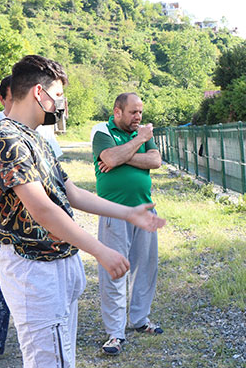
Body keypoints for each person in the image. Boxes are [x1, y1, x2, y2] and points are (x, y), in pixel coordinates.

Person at [0, 55, 165, 368]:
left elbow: (71, 192)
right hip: (34, 270)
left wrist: (128, 213)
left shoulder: (35, 139)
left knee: (62, 357)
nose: (60, 104)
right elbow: (43, 210)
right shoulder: (7, 141)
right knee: (48, 361)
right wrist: (101, 251)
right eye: (58, 96)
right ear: (40, 93)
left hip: (55, 266)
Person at [0, 75, 64, 368]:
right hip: (5, 225)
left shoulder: (42, 132)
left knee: (39, 288)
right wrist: (6, 85)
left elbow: (59, 181)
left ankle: (38, 339)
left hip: (40, 223)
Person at [90, 92, 163, 355]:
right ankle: (115, 333)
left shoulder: (142, 132)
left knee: (145, 267)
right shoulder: (102, 130)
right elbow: (108, 160)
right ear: (117, 111)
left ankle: (140, 320)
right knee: (115, 270)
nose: (139, 117)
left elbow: (156, 160)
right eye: (133, 112)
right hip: (115, 212)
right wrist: (139, 142)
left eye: (141, 112)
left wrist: (123, 155)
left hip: (145, 210)